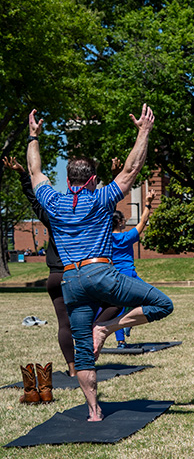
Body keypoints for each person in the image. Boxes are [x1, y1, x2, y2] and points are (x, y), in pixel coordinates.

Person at [26, 105, 175, 421]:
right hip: (100, 272)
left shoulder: (53, 200)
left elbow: (35, 172)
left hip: (71, 281)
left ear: (69, 181)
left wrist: (33, 137)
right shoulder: (101, 197)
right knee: (162, 304)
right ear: (92, 179)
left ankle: (94, 412)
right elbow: (132, 169)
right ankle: (107, 329)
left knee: (83, 355)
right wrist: (144, 131)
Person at [5, 155, 74, 374]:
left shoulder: (53, 216)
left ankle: (72, 369)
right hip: (77, 274)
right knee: (108, 308)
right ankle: (92, 349)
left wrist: (23, 176)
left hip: (55, 276)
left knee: (65, 323)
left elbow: (34, 200)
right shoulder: (85, 214)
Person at [95, 188, 157, 348]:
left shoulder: (105, 240)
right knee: (152, 299)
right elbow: (142, 222)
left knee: (116, 307)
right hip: (129, 276)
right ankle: (125, 329)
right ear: (121, 222)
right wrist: (148, 204)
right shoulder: (126, 237)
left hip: (112, 277)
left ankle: (120, 339)